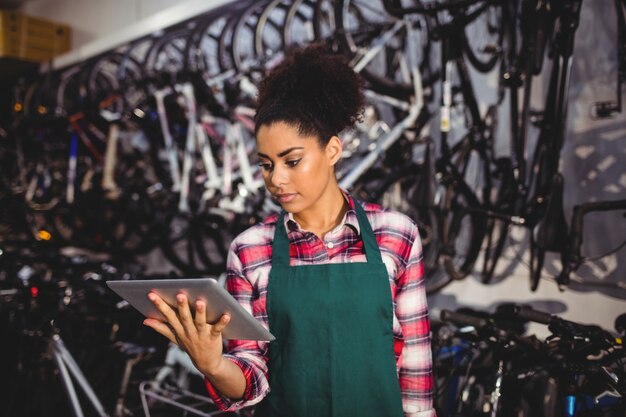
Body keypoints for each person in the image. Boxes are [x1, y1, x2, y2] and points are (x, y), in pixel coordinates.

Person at [144, 44, 436, 417]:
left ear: (332, 150)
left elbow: (415, 367)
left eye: (292, 161)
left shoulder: (396, 234)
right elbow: (251, 375)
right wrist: (213, 365)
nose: (276, 180)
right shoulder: (250, 249)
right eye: (266, 165)